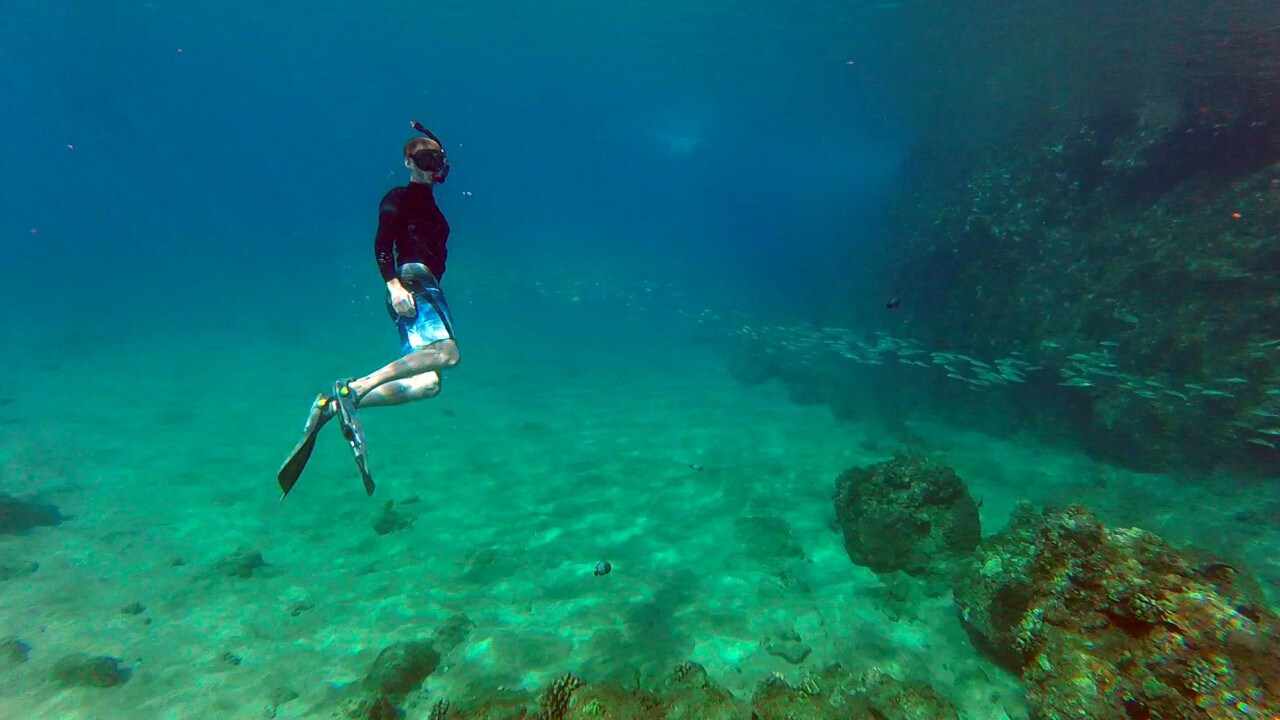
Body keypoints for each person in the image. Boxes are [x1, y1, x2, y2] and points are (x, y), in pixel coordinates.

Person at [278, 120, 459, 498]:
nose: (431, 165)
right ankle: (356, 387)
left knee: (429, 383)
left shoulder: (429, 205)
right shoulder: (399, 197)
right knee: (447, 354)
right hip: (413, 282)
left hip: (422, 286)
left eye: (436, 158)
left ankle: (335, 403)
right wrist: (393, 284)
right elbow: (382, 243)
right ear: (408, 162)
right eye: (423, 158)